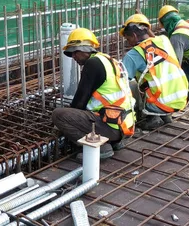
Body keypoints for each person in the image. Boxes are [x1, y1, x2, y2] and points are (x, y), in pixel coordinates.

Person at [52, 28, 136, 159]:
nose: (73, 57)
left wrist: (63, 124)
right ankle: (113, 142)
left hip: (111, 126)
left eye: (75, 53)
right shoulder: (107, 60)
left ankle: (100, 146)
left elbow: (79, 102)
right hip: (124, 124)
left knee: (58, 115)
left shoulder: (92, 64)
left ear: (85, 49)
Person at [120, 14, 189, 130]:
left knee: (133, 84)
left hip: (162, 103)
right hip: (183, 97)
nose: (128, 42)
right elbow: (152, 38)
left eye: (128, 38)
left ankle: (153, 116)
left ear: (134, 35)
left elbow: (121, 82)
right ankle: (165, 115)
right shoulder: (164, 40)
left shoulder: (133, 55)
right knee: (155, 75)